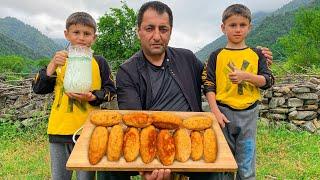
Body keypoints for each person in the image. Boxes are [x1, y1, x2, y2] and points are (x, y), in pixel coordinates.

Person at [112, 1, 273, 180]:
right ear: (138, 31)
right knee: (109, 170)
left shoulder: (186, 58)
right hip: (151, 140)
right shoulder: (128, 71)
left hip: (191, 138)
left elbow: (214, 77)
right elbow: (135, 120)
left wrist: (254, 59)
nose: (157, 36)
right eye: (150, 28)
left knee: (213, 171)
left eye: (163, 29)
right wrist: (149, 164)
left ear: (171, 31)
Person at [32, 12, 116, 180]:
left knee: (86, 178)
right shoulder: (60, 60)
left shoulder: (99, 62)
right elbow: (38, 88)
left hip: (88, 132)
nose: (81, 38)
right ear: (66, 34)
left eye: (87, 34)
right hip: (59, 129)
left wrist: (93, 97)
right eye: (76, 32)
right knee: (59, 177)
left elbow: (111, 91)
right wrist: (52, 65)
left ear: (94, 37)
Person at [202, 4, 274, 180]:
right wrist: (215, 111)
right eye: (232, 25)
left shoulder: (257, 55)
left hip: (248, 114)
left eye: (242, 25)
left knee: (246, 162)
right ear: (223, 28)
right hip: (223, 114)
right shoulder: (216, 55)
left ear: (250, 27)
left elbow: (268, 80)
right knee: (223, 163)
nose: (237, 29)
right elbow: (208, 85)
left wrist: (247, 76)